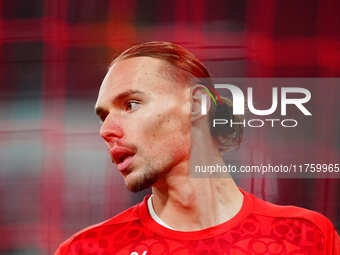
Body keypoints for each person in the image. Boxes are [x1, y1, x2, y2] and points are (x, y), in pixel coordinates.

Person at [55, 41, 340, 255]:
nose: (106, 131)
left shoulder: (307, 237)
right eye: (104, 116)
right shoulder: (87, 250)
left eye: (131, 104)